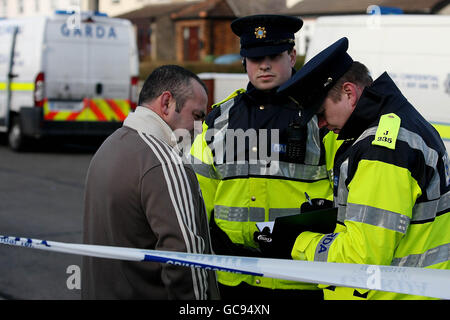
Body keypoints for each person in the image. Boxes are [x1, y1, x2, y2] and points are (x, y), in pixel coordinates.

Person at [277, 37, 450, 300]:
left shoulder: (382, 149)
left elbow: (362, 256)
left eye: (321, 113)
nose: (321, 124)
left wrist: (296, 242)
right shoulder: (396, 124)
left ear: (349, 92)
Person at [190, 14, 338, 300]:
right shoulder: (218, 119)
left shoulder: (320, 119)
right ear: (244, 61)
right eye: (256, 58)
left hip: (298, 280)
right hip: (232, 278)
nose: (265, 65)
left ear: (292, 55)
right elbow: (197, 194)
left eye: (274, 55)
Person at [82, 65, 219, 300]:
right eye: (197, 116)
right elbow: (185, 260)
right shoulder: (166, 163)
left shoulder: (109, 147)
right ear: (166, 103)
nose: (199, 130)